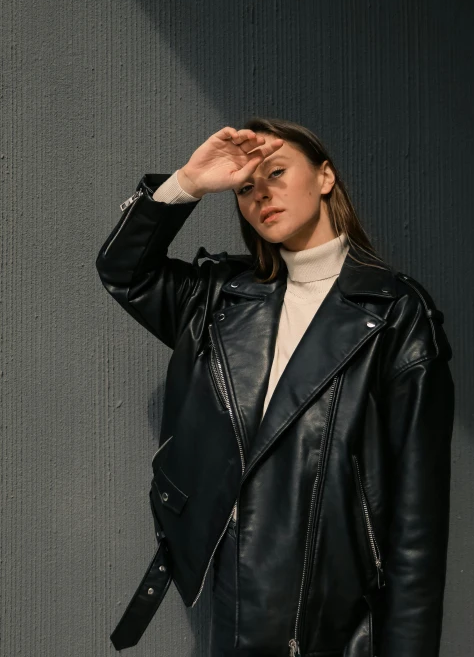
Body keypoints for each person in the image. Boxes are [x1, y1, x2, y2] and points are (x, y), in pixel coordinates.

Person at [96, 118, 455, 657]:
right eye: (245, 188)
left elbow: (417, 519)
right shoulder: (220, 299)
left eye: (277, 173)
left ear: (326, 176)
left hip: (339, 611)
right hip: (236, 589)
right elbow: (126, 273)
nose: (261, 193)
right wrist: (189, 181)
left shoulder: (395, 314)